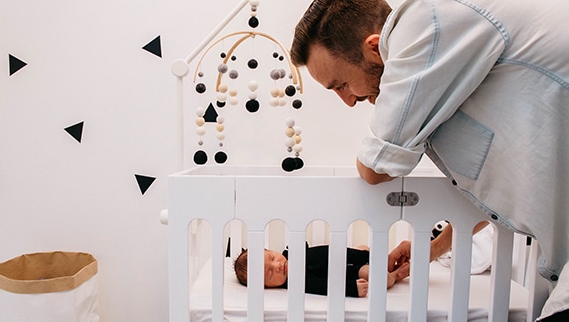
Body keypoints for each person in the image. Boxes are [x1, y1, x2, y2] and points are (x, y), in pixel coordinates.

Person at [290, 0, 569, 320]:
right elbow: (494, 191)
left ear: (374, 48)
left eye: (341, 85)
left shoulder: (425, 20)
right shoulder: (453, 81)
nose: (349, 101)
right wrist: (432, 248)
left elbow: (375, 168)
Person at [233, 244, 408, 297]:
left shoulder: (290, 254)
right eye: (270, 274)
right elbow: (322, 286)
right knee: (378, 277)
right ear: (267, 286)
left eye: (272, 257)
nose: (277, 266)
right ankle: (394, 275)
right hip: (353, 269)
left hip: (349, 253)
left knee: (365, 251)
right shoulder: (297, 281)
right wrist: (351, 289)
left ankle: (380, 255)